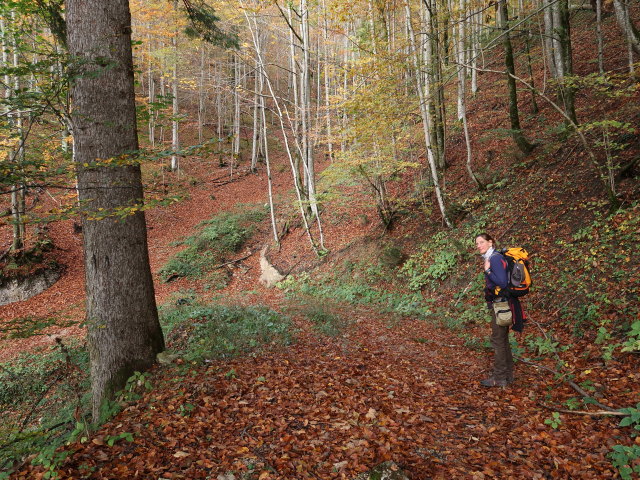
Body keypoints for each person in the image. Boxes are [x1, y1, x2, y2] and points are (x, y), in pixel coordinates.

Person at [475, 233, 514, 387]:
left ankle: (499, 377)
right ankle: (507, 375)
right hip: (502, 303)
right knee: (502, 340)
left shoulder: (495, 259)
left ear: (490, 242)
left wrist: (488, 271)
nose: (478, 246)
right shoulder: (494, 257)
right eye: (477, 243)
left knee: (498, 340)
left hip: (501, 305)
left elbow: (502, 282)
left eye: (481, 242)